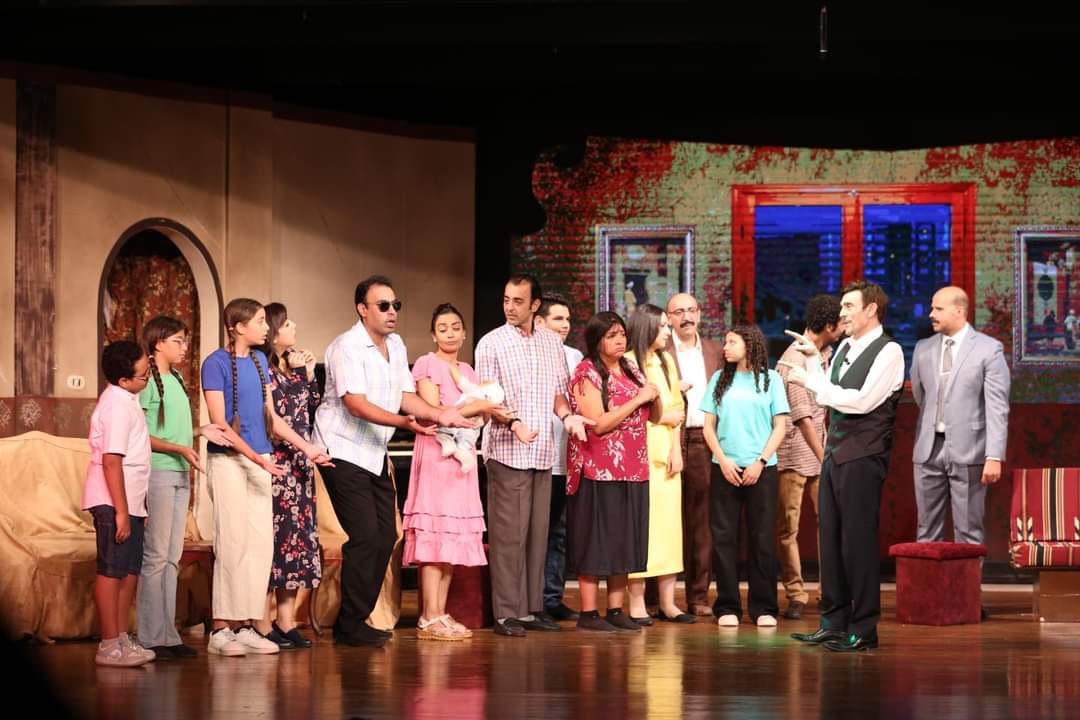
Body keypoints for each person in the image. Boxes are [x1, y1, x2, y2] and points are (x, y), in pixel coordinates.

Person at [313, 276, 473, 648]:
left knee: (387, 535)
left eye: (395, 305)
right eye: (383, 305)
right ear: (362, 309)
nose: (391, 312)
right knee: (366, 535)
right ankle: (350, 624)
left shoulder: (396, 345)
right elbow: (355, 403)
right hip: (341, 449)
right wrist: (403, 423)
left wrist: (440, 414)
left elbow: (404, 395)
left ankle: (356, 619)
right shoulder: (346, 346)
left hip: (373, 451)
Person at [201, 298, 333, 657]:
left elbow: (271, 418)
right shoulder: (215, 363)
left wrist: (308, 448)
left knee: (260, 548)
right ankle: (221, 629)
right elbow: (221, 425)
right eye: (259, 321)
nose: (265, 327)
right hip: (231, 462)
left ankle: (246, 626)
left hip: (263, 461)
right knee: (233, 544)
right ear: (238, 327)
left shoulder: (260, 362)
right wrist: (256, 459)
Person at [784, 280, 905, 652]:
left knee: (858, 542)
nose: (842, 314)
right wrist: (810, 359)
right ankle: (833, 622)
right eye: (842, 308)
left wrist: (810, 381)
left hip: (864, 456)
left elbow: (862, 401)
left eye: (849, 306)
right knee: (831, 540)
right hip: (835, 454)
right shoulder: (844, 348)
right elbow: (827, 393)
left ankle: (864, 628)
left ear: (871, 309)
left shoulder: (889, 351)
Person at [475, 275, 591, 637]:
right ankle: (507, 612)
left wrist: (568, 418)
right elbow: (488, 399)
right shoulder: (491, 343)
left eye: (518, 301)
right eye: (506, 300)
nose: (510, 307)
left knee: (537, 535)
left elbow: (558, 394)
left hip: (542, 452)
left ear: (535, 305)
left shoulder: (550, 343)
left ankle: (530, 609)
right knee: (509, 535)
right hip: (507, 449)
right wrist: (514, 424)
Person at [403, 303, 502, 641]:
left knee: (451, 539)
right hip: (437, 454)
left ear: (464, 333)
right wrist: (479, 406)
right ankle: (428, 616)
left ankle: (440, 612)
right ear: (433, 335)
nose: (449, 333)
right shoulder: (427, 364)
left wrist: (485, 409)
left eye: (455, 327)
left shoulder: (468, 370)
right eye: (442, 328)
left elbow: (480, 416)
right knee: (434, 536)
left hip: (463, 459)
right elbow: (434, 411)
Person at [137, 315, 230, 659]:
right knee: (156, 557)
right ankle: (150, 636)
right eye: (177, 340)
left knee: (172, 557)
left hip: (179, 474)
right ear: (158, 342)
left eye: (185, 340)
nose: (184, 347)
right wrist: (178, 448)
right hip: (159, 473)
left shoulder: (175, 377)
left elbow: (173, 432)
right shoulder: (147, 381)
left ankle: (168, 635)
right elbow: (140, 435)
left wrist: (200, 432)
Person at [566, 312, 661, 632]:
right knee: (596, 539)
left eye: (622, 334)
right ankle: (589, 613)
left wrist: (653, 395)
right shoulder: (586, 372)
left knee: (624, 539)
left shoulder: (631, 367)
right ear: (597, 341)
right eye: (612, 336)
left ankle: (616, 609)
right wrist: (639, 398)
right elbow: (599, 424)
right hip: (598, 468)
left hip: (634, 466)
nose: (620, 340)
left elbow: (654, 415)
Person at [910, 287, 1010, 556]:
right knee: (926, 531)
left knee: (968, 531)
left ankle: (968, 585)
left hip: (970, 449)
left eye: (938, 309)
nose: (931, 314)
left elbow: (997, 407)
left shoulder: (989, 349)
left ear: (959, 311)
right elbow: (922, 397)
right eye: (931, 308)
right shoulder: (922, 348)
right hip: (928, 448)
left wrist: (993, 455)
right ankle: (928, 584)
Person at [701, 325, 789, 628]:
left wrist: (760, 461)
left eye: (731, 342)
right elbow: (708, 427)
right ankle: (727, 606)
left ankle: (764, 607)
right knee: (724, 538)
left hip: (762, 470)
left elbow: (780, 426)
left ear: (749, 345)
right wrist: (723, 460)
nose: (725, 347)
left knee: (762, 538)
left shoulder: (771, 379)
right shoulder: (719, 379)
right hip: (724, 468)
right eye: (725, 342)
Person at [251, 303, 324, 649]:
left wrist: (307, 374)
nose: (293, 326)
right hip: (278, 462)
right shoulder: (262, 367)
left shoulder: (290, 365)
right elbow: (276, 415)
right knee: (275, 542)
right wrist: (296, 375)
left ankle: (286, 621)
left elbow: (311, 407)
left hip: (300, 465)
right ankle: (261, 621)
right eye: (286, 323)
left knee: (296, 543)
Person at [85, 341, 156, 667]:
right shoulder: (115, 406)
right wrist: (122, 513)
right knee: (112, 571)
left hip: (131, 500)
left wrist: (138, 508)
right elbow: (112, 462)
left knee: (129, 572)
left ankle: (122, 638)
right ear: (124, 380)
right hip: (113, 501)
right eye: (144, 375)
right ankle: (109, 644)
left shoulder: (128, 399)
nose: (148, 378)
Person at [774, 295, 843, 620]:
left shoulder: (825, 354)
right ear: (828, 326)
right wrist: (825, 457)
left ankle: (829, 591)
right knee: (788, 528)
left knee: (828, 523)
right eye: (840, 324)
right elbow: (801, 417)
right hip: (794, 453)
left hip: (820, 450)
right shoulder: (793, 359)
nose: (844, 329)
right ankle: (796, 593)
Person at [625, 304, 694, 624]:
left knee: (668, 530)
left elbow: (678, 409)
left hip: (666, 454)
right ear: (647, 327)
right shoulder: (628, 362)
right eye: (663, 325)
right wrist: (662, 416)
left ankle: (668, 602)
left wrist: (677, 449)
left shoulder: (666, 361)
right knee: (640, 528)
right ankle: (637, 602)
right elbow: (629, 409)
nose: (668, 330)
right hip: (638, 455)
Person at [665, 293, 722, 616]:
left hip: (703, 438)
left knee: (701, 522)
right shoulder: (659, 350)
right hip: (666, 437)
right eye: (678, 312)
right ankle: (656, 599)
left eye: (691, 310)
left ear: (699, 313)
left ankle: (698, 597)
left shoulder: (715, 351)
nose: (686, 317)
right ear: (669, 318)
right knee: (664, 519)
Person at [535, 293, 584, 622]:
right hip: (538, 454)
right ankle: (532, 599)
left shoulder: (574, 356)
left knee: (560, 532)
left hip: (566, 458)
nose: (565, 325)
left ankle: (552, 597)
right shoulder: (531, 352)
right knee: (538, 531)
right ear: (540, 321)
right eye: (558, 319)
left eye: (567, 319)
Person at [434, 367, 504, 472]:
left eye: (486, 382)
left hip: (460, 417)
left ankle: (447, 441)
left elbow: (461, 381)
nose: (483, 381)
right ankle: (462, 450)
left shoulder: (475, 391)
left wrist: (453, 370)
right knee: (468, 437)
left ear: (487, 391)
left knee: (449, 429)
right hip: (472, 423)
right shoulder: (484, 401)